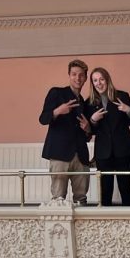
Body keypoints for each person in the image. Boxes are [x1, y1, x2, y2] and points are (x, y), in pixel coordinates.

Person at [38, 58, 91, 203]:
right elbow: (43, 119)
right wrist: (58, 111)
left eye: (81, 75)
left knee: (81, 199)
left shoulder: (85, 103)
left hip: (80, 156)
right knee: (58, 199)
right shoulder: (56, 93)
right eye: (74, 74)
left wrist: (88, 129)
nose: (77, 78)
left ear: (85, 78)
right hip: (59, 154)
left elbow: (87, 136)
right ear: (69, 75)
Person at [86, 67, 130, 206]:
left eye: (101, 79)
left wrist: (129, 111)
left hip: (123, 150)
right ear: (92, 83)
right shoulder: (89, 102)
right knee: (105, 190)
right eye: (95, 80)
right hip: (103, 152)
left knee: (125, 188)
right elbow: (90, 132)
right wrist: (93, 120)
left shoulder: (122, 96)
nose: (99, 83)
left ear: (107, 79)